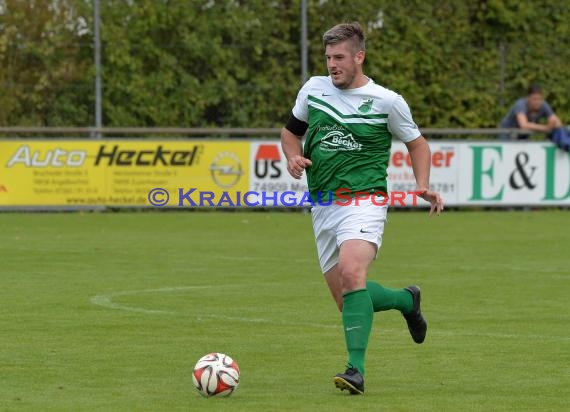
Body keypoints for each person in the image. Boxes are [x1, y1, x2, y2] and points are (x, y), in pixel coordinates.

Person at [280, 22, 444, 395]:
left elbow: (417, 144)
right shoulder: (314, 89)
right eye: (327, 58)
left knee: (353, 273)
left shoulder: (386, 100)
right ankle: (406, 300)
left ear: (359, 57)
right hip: (322, 206)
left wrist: (422, 185)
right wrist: (292, 157)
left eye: (339, 58)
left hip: (365, 201)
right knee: (348, 301)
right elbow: (291, 132)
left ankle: (355, 371)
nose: (332, 65)